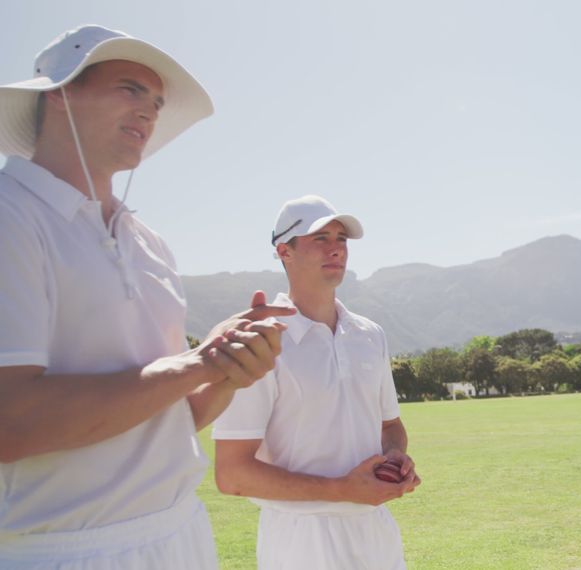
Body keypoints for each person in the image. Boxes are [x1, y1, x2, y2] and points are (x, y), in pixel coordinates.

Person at [0, 25, 291, 568]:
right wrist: (197, 363)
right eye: (131, 89)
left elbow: (171, 419)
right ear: (59, 94)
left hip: (180, 533)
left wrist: (227, 372)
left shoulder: (148, 241)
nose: (150, 112)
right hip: (63, 551)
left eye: (156, 102)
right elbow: (9, 423)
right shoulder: (10, 216)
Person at [213, 195, 419, 569]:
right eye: (319, 238)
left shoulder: (370, 335)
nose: (336, 249)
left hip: (376, 531)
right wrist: (341, 491)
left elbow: (390, 426)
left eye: (341, 239)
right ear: (283, 251)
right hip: (301, 541)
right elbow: (232, 475)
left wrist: (395, 457)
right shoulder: (261, 340)